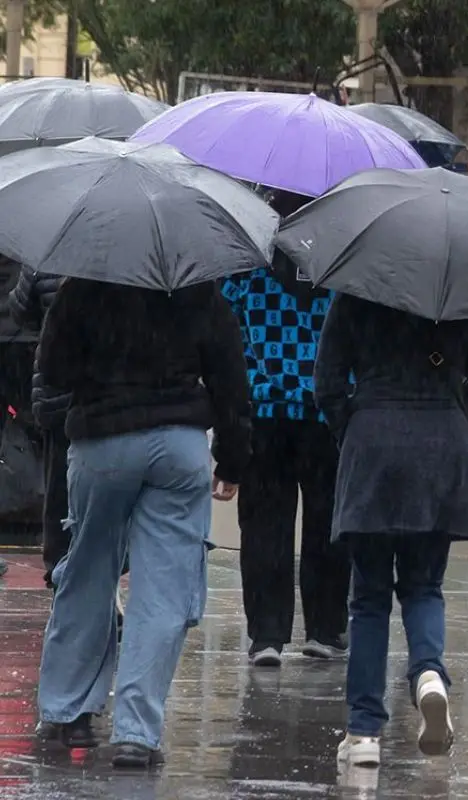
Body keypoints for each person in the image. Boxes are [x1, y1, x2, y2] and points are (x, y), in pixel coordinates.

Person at [34, 278, 250, 768]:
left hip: (102, 441)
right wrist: (234, 458)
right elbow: (230, 378)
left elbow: (53, 370)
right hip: (178, 443)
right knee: (163, 589)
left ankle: (70, 712)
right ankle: (136, 732)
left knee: (88, 572)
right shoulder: (197, 287)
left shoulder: (85, 285)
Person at [315, 294, 468, 765]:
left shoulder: (358, 287)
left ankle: (362, 734)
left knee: (369, 598)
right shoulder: (462, 292)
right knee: (423, 586)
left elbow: (327, 384)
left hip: (373, 442)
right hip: (442, 448)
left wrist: (355, 425)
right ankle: (428, 675)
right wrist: (444, 399)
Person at [222, 190, 350, 667]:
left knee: (264, 526)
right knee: (329, 526)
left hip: (264, 415)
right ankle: (325, 627)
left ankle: (267, 634)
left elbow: (227, 325)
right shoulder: (340, 259)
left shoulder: (251, 257)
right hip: (327, 417)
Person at [6, 263, 70, 588]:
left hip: (58, 388)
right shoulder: (124, 254)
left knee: (59, 486)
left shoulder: (47, 251)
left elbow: (21, 310)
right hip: (108, 397)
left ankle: (60, 571)